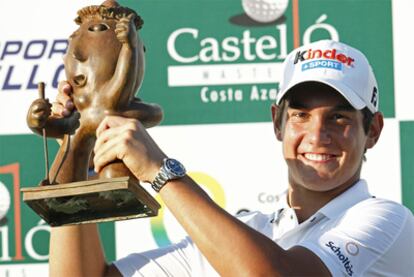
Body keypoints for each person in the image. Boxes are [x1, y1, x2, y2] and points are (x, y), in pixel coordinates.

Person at [49, 40, 414, 276]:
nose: (317, 135)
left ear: (375, 131)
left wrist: (160, 171)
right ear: (278, 122)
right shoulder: (249, 230)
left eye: (339, 117)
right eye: (301, 115)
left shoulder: (387, 220)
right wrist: (76, 146)